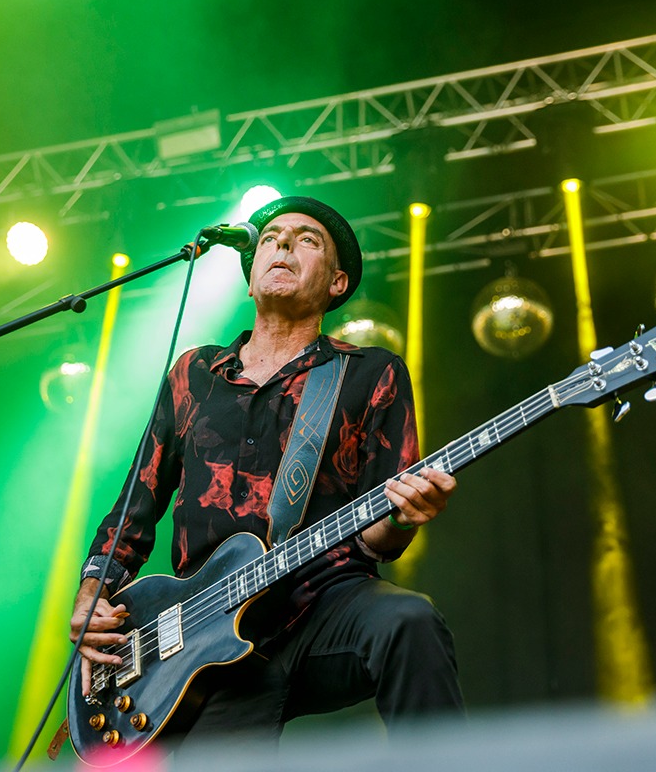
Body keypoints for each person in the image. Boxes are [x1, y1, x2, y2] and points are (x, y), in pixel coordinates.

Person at [68, 195, 463, 748]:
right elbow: (135, 505)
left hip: (323, 602)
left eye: (307, 240)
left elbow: (379, 537)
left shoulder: (370, 372)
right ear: (251, 281)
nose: (283, 244)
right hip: (205, 631)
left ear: (337, 282)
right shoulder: (194, 373)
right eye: (272, 239)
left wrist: (402, 518)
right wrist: (92, 595)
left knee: (408, 623)